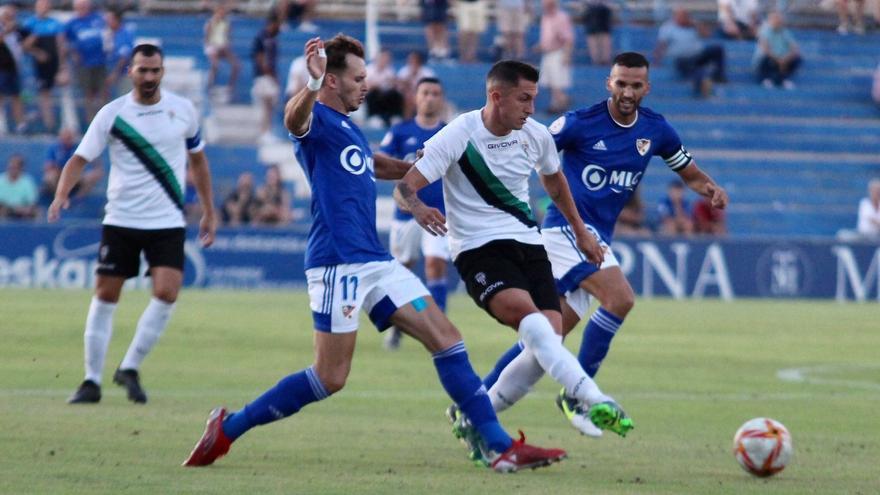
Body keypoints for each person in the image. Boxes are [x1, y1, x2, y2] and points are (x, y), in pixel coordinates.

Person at [182, 34, 567, 473]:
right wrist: (308, 87)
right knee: (330, 377)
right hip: (336, 265)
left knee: (447, 339)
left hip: (376, 261)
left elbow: (375, 164)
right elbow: (292, 122)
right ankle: (228, 429)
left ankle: (498, 446)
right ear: (330, 81)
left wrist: (436, 165)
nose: (367, 85)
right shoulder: (317, 120)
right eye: (358, 78)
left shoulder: (347, 126)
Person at [478, 52, 728, 438]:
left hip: (596, 237)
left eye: (635, 84)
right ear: (608, 83)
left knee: (547, 339)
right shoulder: (580, 123)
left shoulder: (657, 131)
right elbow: (535, 145)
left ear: (647, 87)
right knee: (620, 298)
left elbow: (690, 173)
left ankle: (478, 402)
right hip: (566, 231)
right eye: (621, 83)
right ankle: (577, 399)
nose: (627, 91)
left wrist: (709, 188)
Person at [395, 59, 633, 463]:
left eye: (534, 99)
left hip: (529, 246)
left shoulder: (535, 135)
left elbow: (555, 180)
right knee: (538, 327)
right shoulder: (459, 134)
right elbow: (406, 186)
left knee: (546, 342)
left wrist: (579, 231)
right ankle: (591, 398)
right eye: (524, 99)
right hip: (478, 250)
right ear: (496, 96)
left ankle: (474, 420)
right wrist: (417, 209)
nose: (530, 108)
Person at [49, 44, 217, 405]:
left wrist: (208, 209)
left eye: (155, 70)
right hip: (121, 220)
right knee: (106, 295)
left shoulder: (183, 110)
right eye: (143, 70)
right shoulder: (112, 114)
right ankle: (91, 380)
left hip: (167, 220)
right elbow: (79, 158)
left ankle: (129, 367)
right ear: (131, 72)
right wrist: (62, 193)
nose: (149, 77)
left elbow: (199, 164)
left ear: (163, 71)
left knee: (168, 292)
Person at [376, 77, 448, 350]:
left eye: (435, 93)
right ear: (416, 98)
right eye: (426, 92)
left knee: (435, 265)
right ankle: (398, 327)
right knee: (403, 272)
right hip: (405, 215)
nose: (430, 98)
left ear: (441, 99)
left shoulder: (448, 133)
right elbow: (380, 164)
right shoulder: (399, 131)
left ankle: (439, 330)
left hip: (438, 214)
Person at [655, 7, 727, 98]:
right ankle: (701, 86)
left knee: (717, 49)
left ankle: (718, 76)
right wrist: (657, 61)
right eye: (681, 16)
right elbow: (661, 45)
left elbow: (707, 35)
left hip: (698, 55)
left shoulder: (693, 26)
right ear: (675, 17)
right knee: (696, 70)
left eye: (686, 16)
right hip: (681, 59)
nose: (684, 18)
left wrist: (697, 25)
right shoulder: (667, 28)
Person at [21, 0, 66, 132]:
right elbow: (24, 46)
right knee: (44, 94)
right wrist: (37, 52)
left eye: (46, 6)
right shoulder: (30, 24)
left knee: (63, 92)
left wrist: (62, 67)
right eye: (41, 6)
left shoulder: (55, 23)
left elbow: (61, 45)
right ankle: (49, 125)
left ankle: (66, 125)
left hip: (55, 64)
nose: (44, 8)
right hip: (40, 66)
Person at [64, 0, 107, 123]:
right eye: (79, 7)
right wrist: (73, 53)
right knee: (88, 93)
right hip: (84, 64)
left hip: (100, 62)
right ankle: (91, 120)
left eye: (84, 6)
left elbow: (108, 34)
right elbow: (63, 42)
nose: (82, 9)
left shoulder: (98, 19)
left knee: (103, 91)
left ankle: (104, 119)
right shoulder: (72, 24)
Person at [43, 127, 103, 200]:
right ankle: (58, 198)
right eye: (66, 137)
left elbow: (94, 159)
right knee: (49, 177)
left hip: (76, 176)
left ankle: (78, 200)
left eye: (70, 137)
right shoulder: (54, 148)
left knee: (93, 176)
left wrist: (97, 169)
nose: (68, 139)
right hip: (60, 176)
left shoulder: (78, 147)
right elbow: (47, 166)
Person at [538, 0, 574, 113]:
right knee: (549, 82)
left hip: (557, 53)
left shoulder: (561, 18)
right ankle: (556, 103)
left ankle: (561, 102)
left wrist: (566, 55)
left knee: (556, 83)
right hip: (547, 53)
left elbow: (568, 38)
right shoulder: (545, 17)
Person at [251, 14, 281, 144]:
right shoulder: (262, 38)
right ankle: (264, 132)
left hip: (268, 76)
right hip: (264, 77)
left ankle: (267, 131)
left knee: (270, 105)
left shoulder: (271, 38)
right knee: (266, 104)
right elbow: (260, 58)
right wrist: (270, 74)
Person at [754, 11, 801, 90]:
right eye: (775, 19)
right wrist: (778, 59)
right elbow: (765, 49)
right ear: (770, 20)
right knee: (765, 58)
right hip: (770, 58)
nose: (778, 22)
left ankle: (783, 80)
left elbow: (795, 48)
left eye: (779, 20)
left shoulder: (785, 32)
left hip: (783, 58)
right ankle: (766, 79)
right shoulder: (764, 31)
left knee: (797, 59)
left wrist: (786, 59)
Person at [204, 2, 240, 97]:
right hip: (212, 46)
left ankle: (230, 87)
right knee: (215, 65)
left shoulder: (226, 23)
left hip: (223, 47)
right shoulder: (210, 23)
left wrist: (225, 46)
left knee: (236, 65)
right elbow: (207, 39)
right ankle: (209, 85)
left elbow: (227, 37)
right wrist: (213, 47)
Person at [0, 4, 26, 134]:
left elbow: (24, 44)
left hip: (13, 67)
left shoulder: (17, 29)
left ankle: (20, 124)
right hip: (2, 67)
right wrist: (6, 31)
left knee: (16, 96)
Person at [365, 48, 403, 127]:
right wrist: (378, 84)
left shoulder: (390, 70)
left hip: (386, 96)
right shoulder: (369, 69)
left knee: (394, 94)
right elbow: (366, 86)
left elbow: (394, 84)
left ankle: (394, 116)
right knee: (374, 93)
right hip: (373, 96)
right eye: (383, 58)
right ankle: (374, 117)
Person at [104, 9, 135, 98]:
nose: (106, 21)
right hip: (111, 72)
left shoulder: (125, 34)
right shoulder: (110, 33)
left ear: (116, 20)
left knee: (123, 99)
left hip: (123, 74)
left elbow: (124, 57)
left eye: (109, 19)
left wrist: (114, 73)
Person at [397, 51, 435, 118]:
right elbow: (399, 88)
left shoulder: (428, 73)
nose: (412, 63)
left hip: (424, 97)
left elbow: (432, 89)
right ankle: (406, 121)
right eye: (410, 61)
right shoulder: (404, 71)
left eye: (414, 61)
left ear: (419, 62)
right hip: (406, 98)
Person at [0, 154, 38, 219]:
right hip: (4, 209)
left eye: (15, 167)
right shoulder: (1, 180)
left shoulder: (28, 181)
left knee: (38, 212)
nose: (12, 169)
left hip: (23, 211)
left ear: (21, 168)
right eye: (11, 167)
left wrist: (22, 209)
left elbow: (32, 203)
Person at [582, 0, 613, 65]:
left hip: (603, 19)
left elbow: (611, 6)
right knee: (593, 41)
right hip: (591, 19)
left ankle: (605, 59)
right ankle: (595, 60)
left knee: (604, 40)